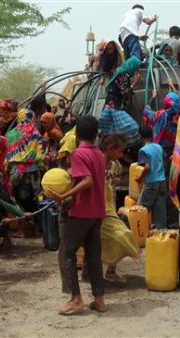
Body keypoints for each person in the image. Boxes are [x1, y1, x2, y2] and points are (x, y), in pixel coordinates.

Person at [45, 116, 106, 315]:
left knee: (66, 252)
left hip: (81, 212)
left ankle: (76, 299)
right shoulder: (99, 154)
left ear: (77, 133)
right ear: (96, 134)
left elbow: (87, 181)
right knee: (93, 256)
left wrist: (64, 194)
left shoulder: (78, 153)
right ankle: (99, 299)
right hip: (97, 212)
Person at [98, 133, 139, 282]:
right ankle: (92, 270)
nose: (121, 154)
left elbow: (116, 179)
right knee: (121, 235)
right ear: (109, 149)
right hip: (98, 208)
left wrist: (114, 181)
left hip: (110, 207)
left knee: (109, 240)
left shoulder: (115, 165)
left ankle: (110, 269)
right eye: (119, 151)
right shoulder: (96, 163)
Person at [136, 126, 167, 229]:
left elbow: (147, 167)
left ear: (140, 137)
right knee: (160, 208)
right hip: (162, 181)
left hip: (151, 182)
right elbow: (165, 160)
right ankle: (161, 232)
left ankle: (141, 232)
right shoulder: (158, 147)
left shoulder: (143, 150)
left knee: (141, 208)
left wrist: (140, 178)